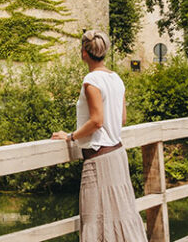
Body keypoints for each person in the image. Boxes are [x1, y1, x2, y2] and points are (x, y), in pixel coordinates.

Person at [51, 30, 147, 241]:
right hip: (117, 155)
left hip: (98, 159)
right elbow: (122, 118)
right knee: (122, 215)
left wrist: (71, 136)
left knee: (95, 220)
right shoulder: (116, 79)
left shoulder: (91, 80)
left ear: (85, 52)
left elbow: (96, 121)